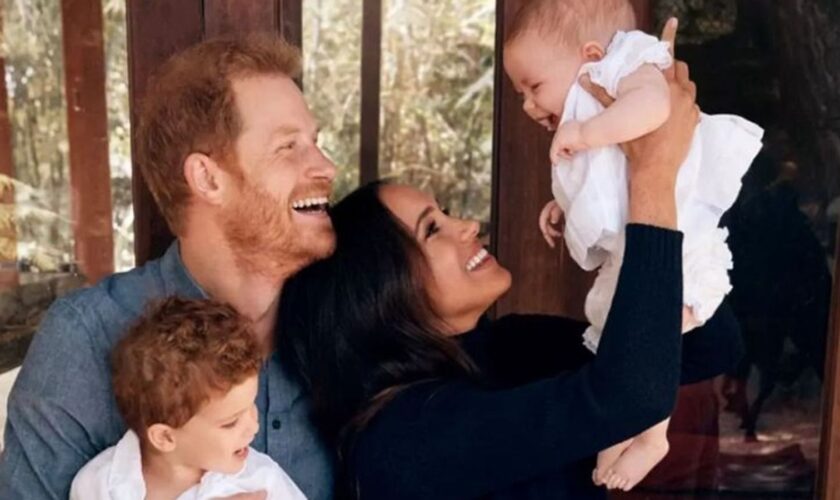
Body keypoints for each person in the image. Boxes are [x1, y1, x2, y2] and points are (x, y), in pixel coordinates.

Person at [277, 23, 743, 499]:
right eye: (432, 229)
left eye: (447, 213)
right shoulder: (404, 437)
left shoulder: (508, 348)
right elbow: (629, 396)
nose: (468, 226)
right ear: (379, 291)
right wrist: (652, 175)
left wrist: (644, 181)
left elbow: (709, 346)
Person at [0, 35, 335, 500]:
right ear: (207, 178)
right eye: (289, 147)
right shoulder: (85, 340)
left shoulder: (341, 320)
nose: (326, 166)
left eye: (315, 143)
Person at [502, 0, 762, 489]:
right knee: (621, 334)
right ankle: (623, 428)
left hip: (679, 240)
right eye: (520, 93)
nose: (529, 106)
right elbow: (608, 179)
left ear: (592, 53)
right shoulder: (595, 104)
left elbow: (655, 107)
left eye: (534, 87)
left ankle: (652, 434)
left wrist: (585, 131)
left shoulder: (630, 64)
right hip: (640, 242)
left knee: (651, 334)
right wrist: (563, 204)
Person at [70, 297, 307, 500]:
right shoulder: (100, 484)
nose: (253, 426)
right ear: (165, 436)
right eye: (230, 422)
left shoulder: (261, 480)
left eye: (251, 406)